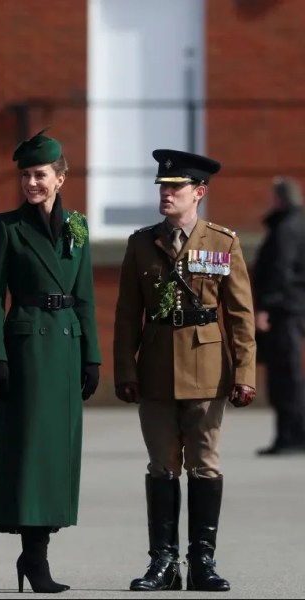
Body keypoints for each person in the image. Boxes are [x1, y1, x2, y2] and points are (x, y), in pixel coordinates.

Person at [113, 149, 256, 592]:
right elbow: (125, 315)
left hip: (207, 367)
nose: (166, 193)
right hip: (155, 367)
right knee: (161, 466)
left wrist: (245, 373)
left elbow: (241, 316)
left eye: (175, 187)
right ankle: (164, 562)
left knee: (205, 466)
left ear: (199, 192)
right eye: (162, 187)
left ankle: (202, 562)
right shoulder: (141, 243)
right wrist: (124, 370)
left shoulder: (222, 242)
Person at [0, 127, 101, 594]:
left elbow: (86, 295)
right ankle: (34, 559)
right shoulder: (6, 226)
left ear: (61, 178)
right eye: (26, 175)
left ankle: (37, 557)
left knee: (56, 454)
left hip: (66, 346)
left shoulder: (79, 227)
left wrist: (91, 355)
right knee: (30, 453)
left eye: (40, 175)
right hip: (27, 349)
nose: (31, 183)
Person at [253, 176, 305, 456]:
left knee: (285, 374)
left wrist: (266, 308)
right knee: (287, 372)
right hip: (293, 309)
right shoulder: (296, 225)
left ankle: (292, 435)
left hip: (284, 312)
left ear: (280, 199)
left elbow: (279, 271)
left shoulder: (285, 229)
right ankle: (291, 434)